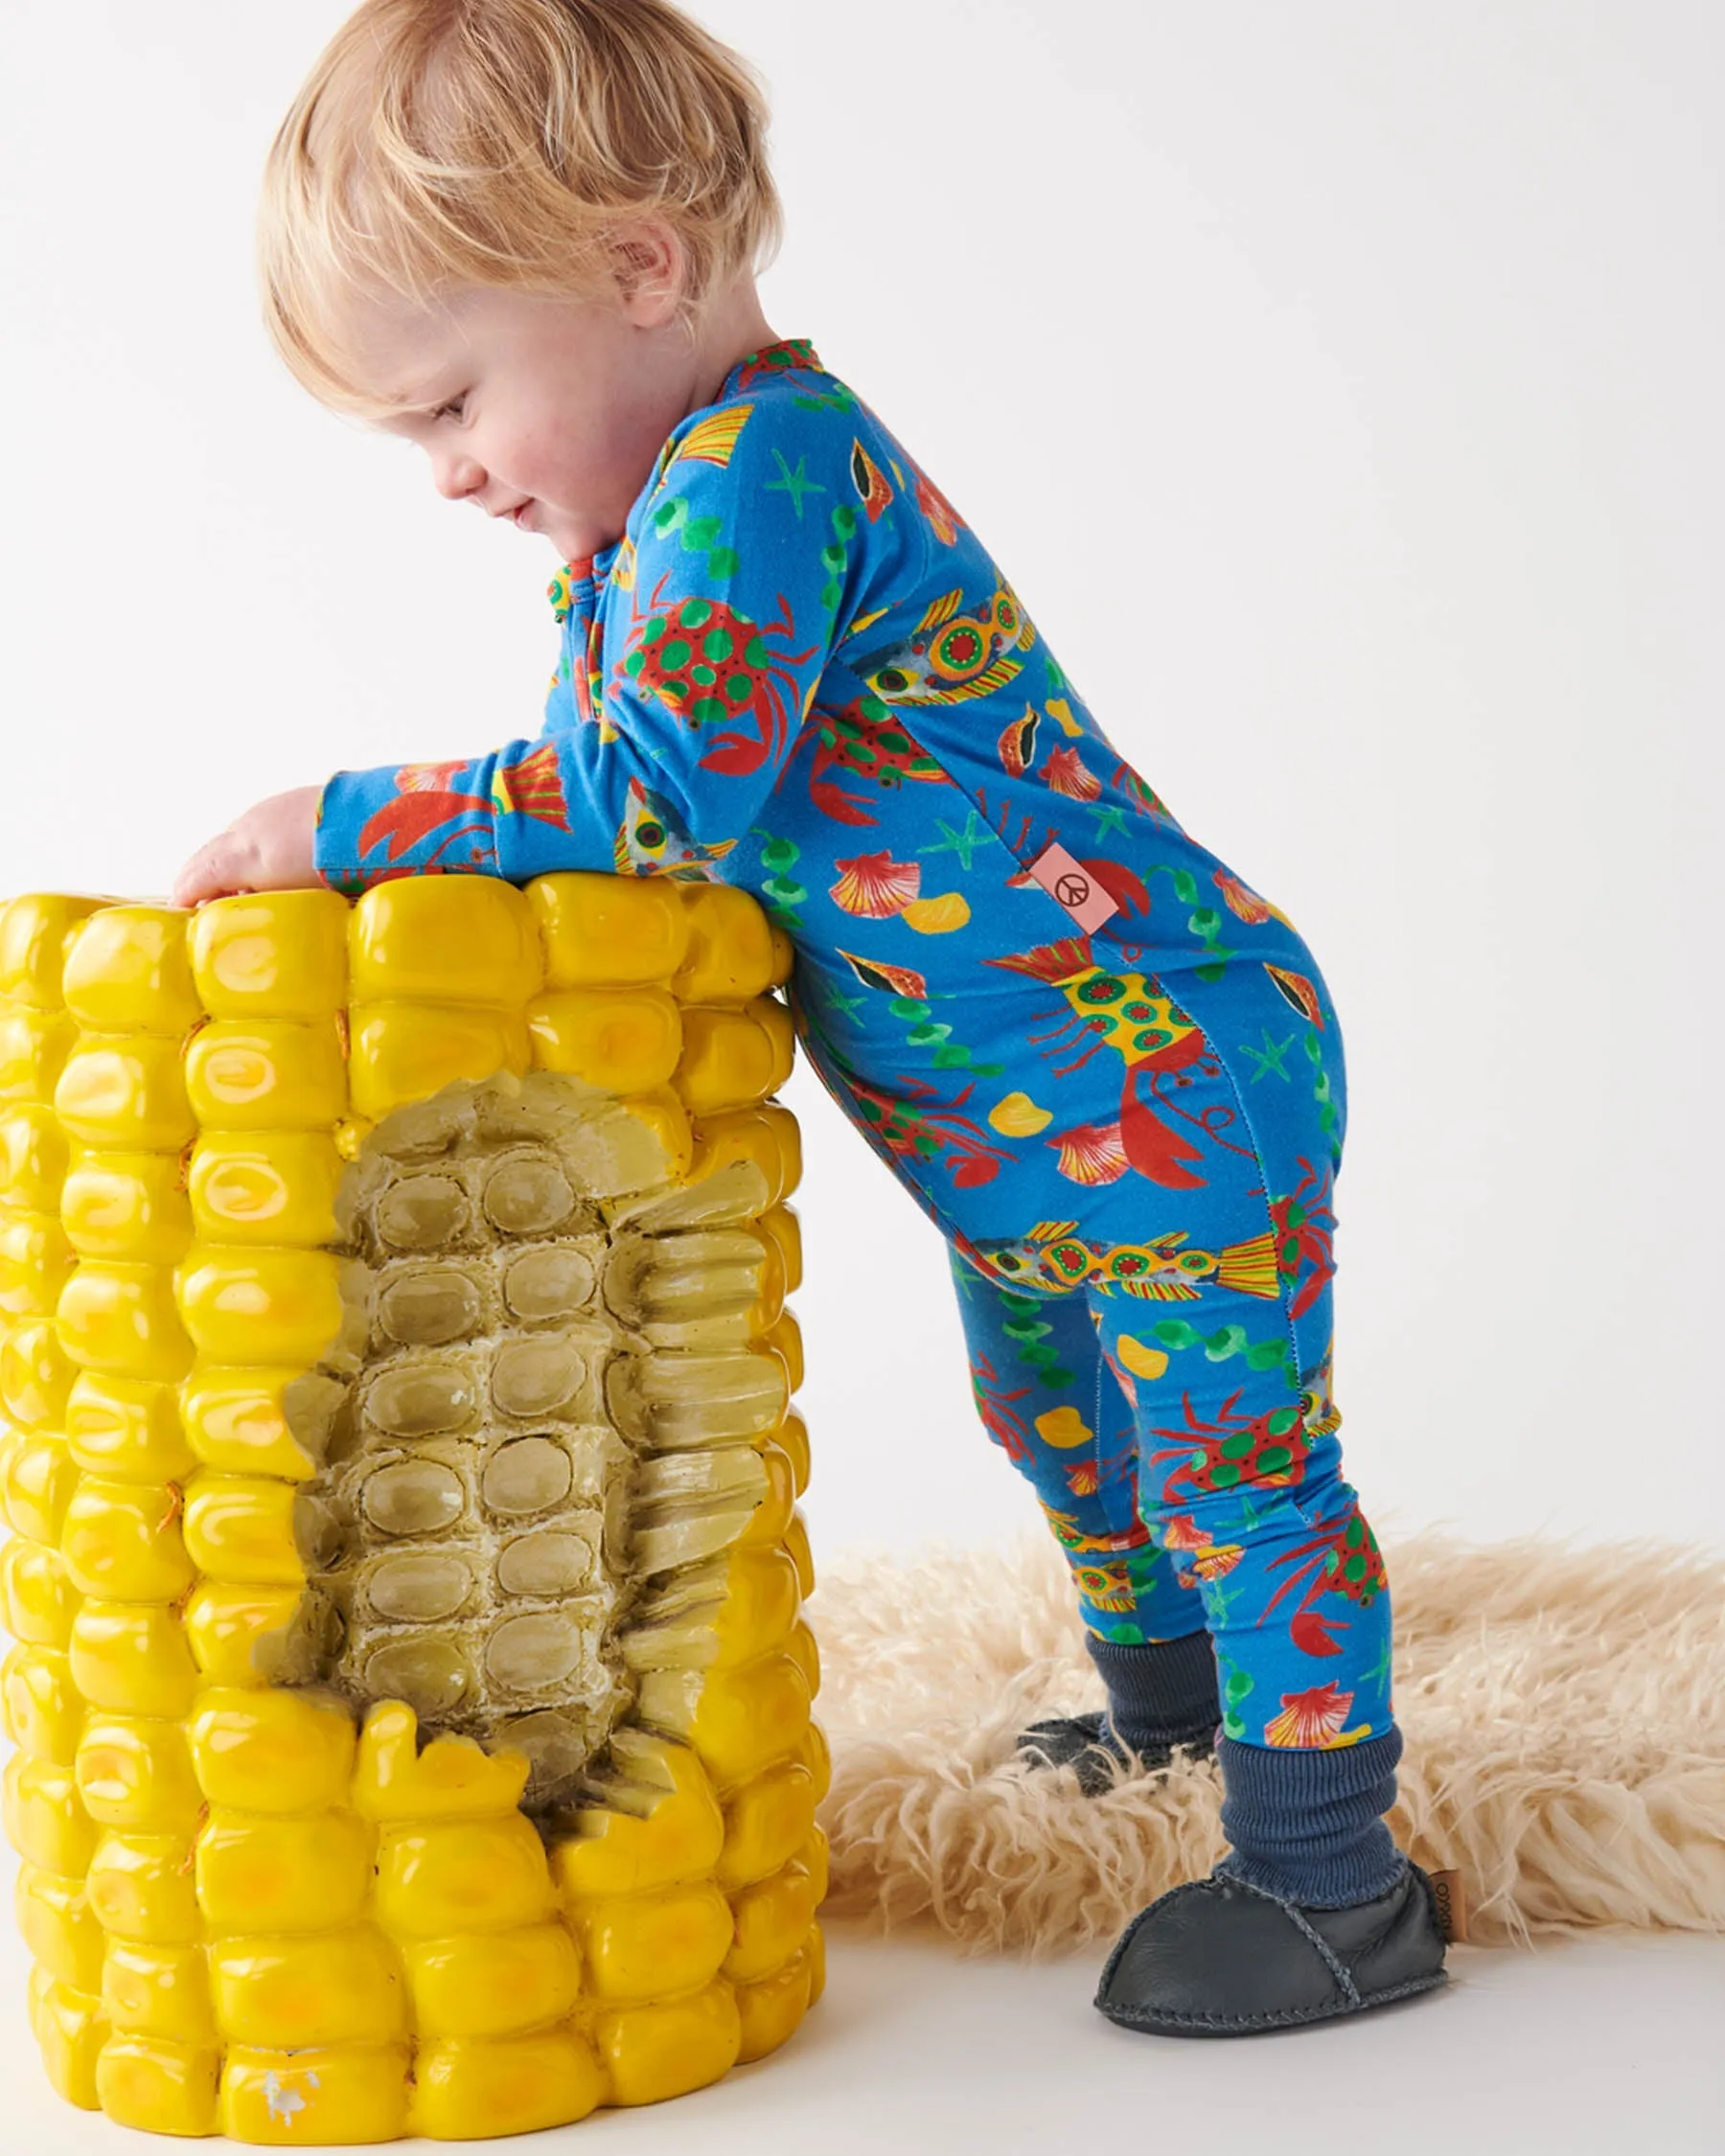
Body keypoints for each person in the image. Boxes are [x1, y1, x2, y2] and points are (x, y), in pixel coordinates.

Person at [172, 0, 1450, 2034]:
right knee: (1051, 1418)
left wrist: (334, 824)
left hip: (1165, 1064)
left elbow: (651, 800)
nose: (445, 476)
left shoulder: (764, 468)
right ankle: (1175, 1714)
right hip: (1014, 1119)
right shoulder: (653, 510)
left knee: (1236, 1469)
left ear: (637, 269)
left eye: (449, 406)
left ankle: (1332, 1877)